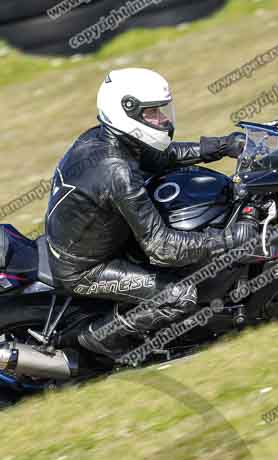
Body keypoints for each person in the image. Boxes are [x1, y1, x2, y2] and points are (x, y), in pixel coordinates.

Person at [42, 67, 254, 358]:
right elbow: (162, 248)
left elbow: (163, 157)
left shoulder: (107, 139)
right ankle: (100, 340)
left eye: (162, 110)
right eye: (153, 113)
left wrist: (221, 147)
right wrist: (228, 240)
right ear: (127, 111)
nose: (164, 120)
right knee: (180, 296)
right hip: (85, 269)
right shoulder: (117, 170)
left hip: (97, 240)